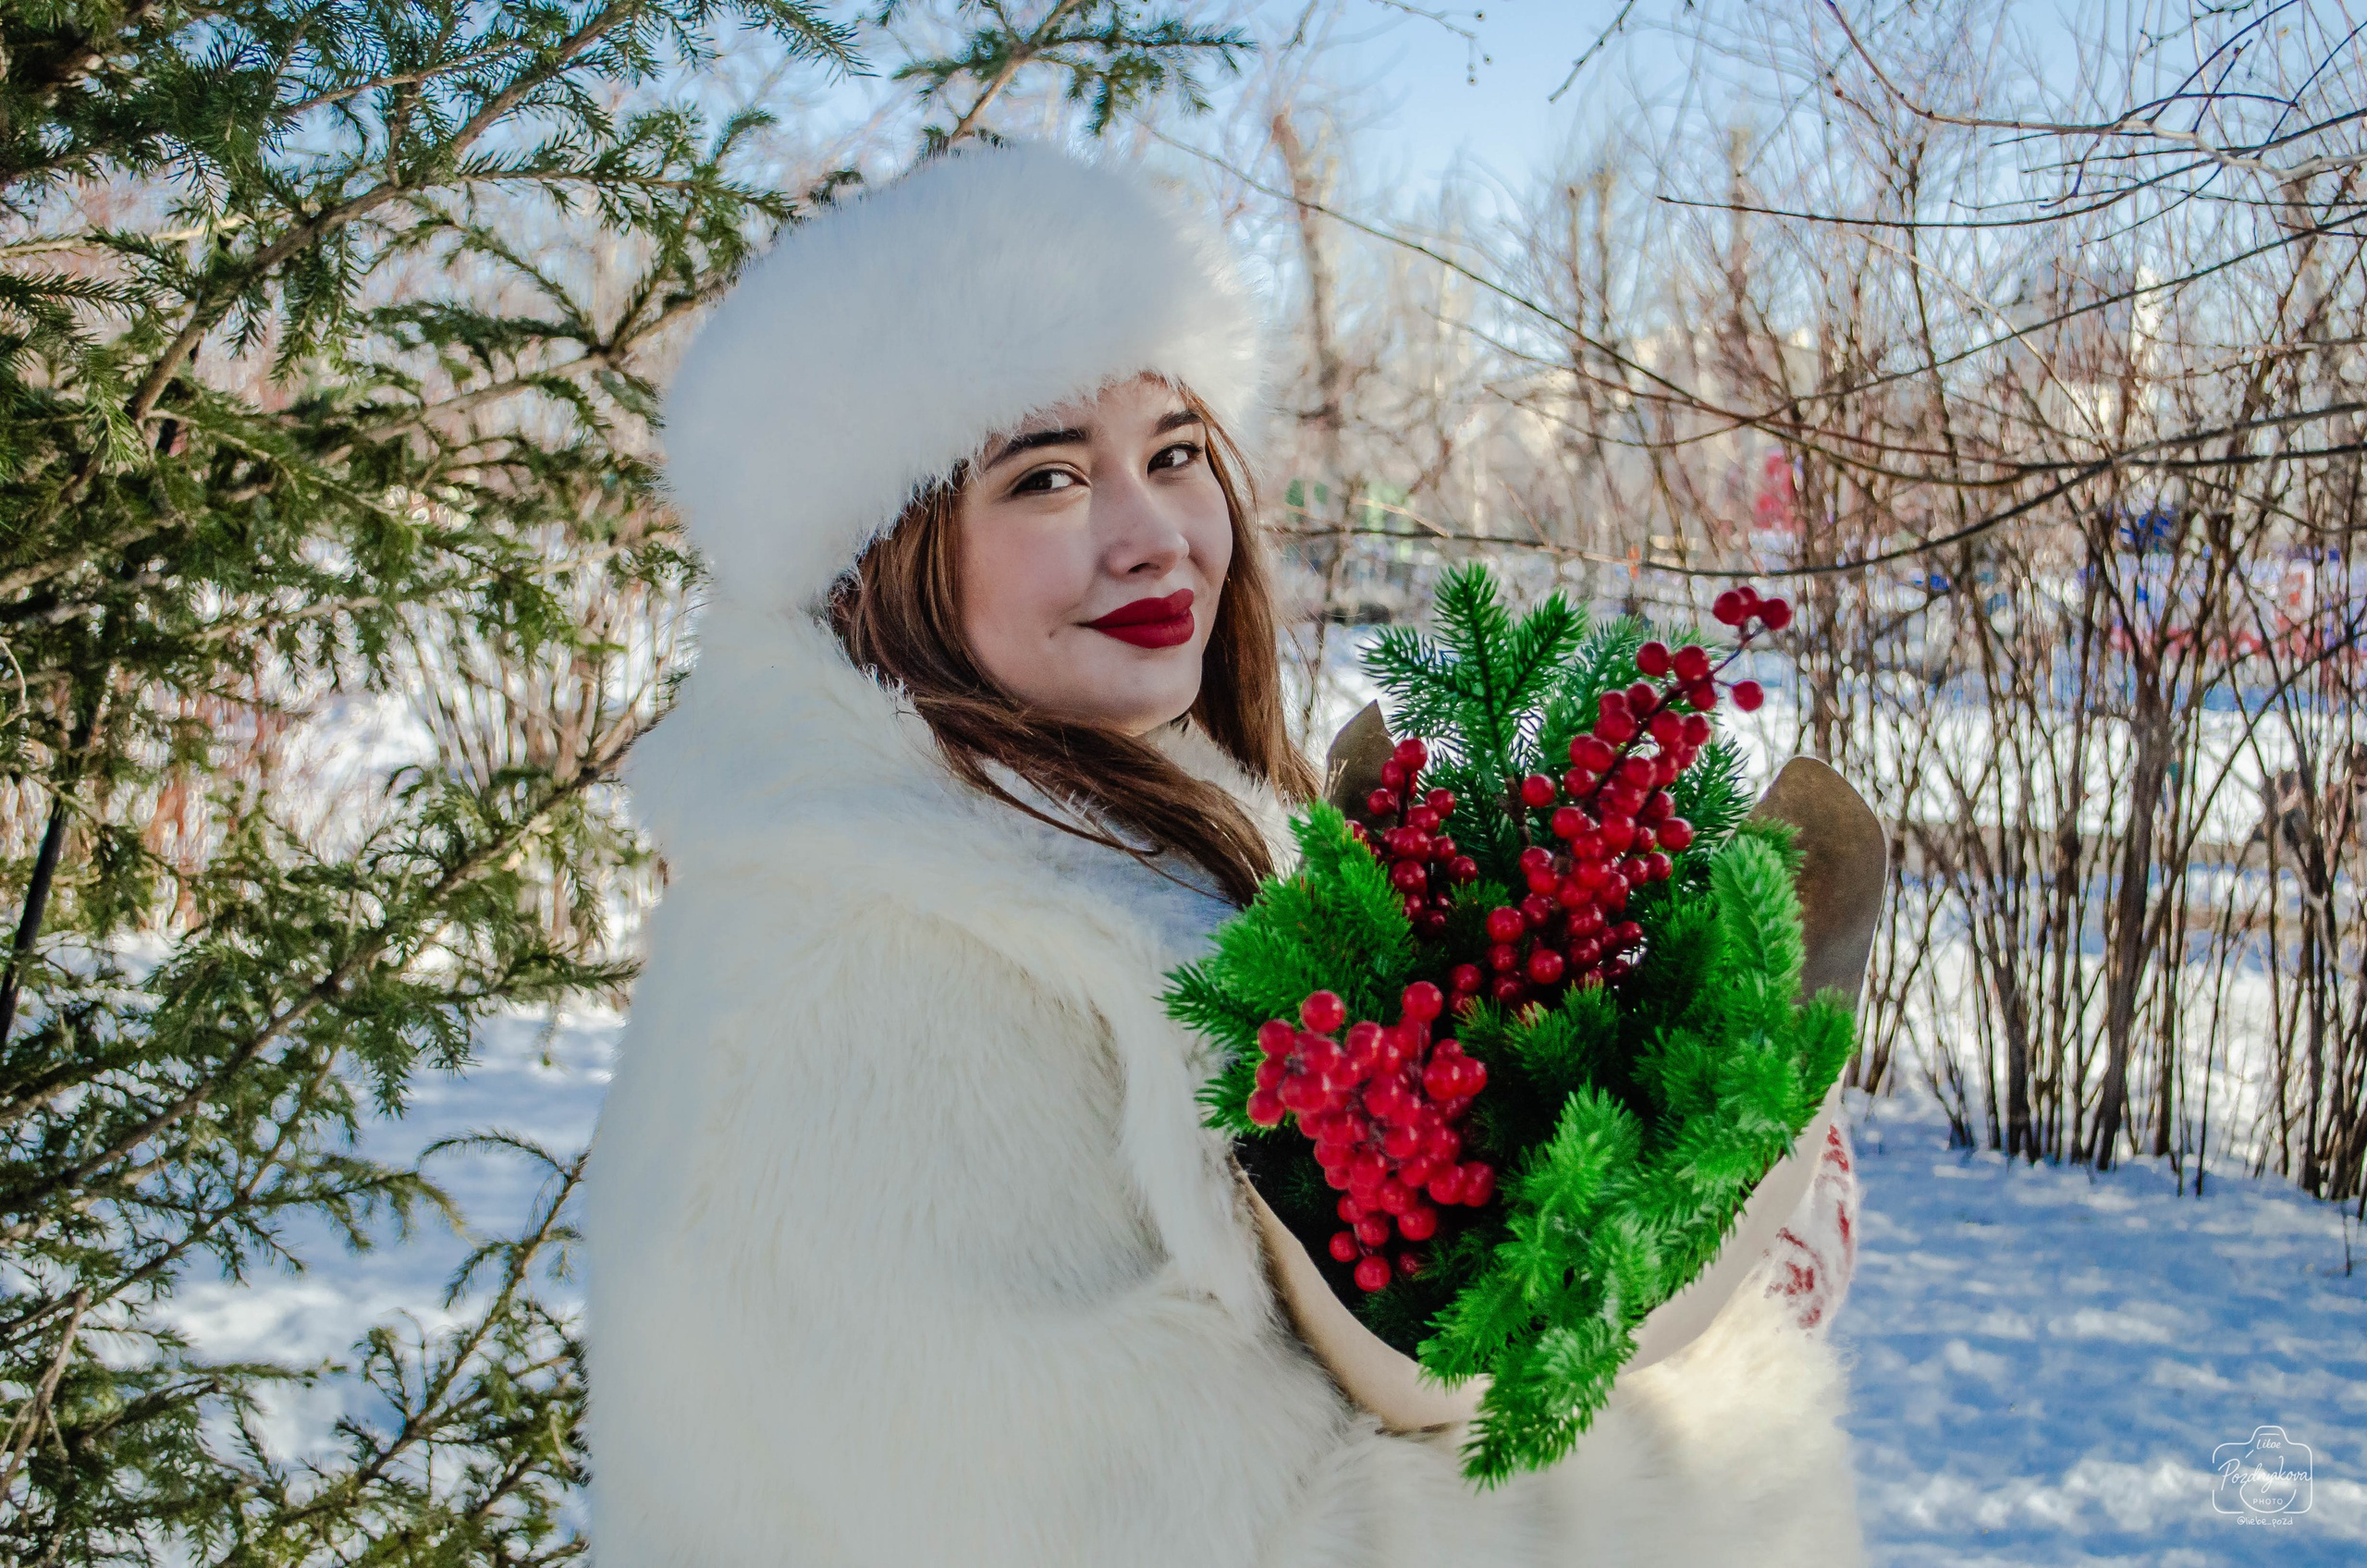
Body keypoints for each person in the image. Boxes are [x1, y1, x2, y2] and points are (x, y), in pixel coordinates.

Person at [585, 143, 1865, 1568]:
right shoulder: (852, 995)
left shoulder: (1131, 850)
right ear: (881, 557)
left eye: (1175, 454)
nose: (1154, 538)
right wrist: (1728, 1372)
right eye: (1046, 477)